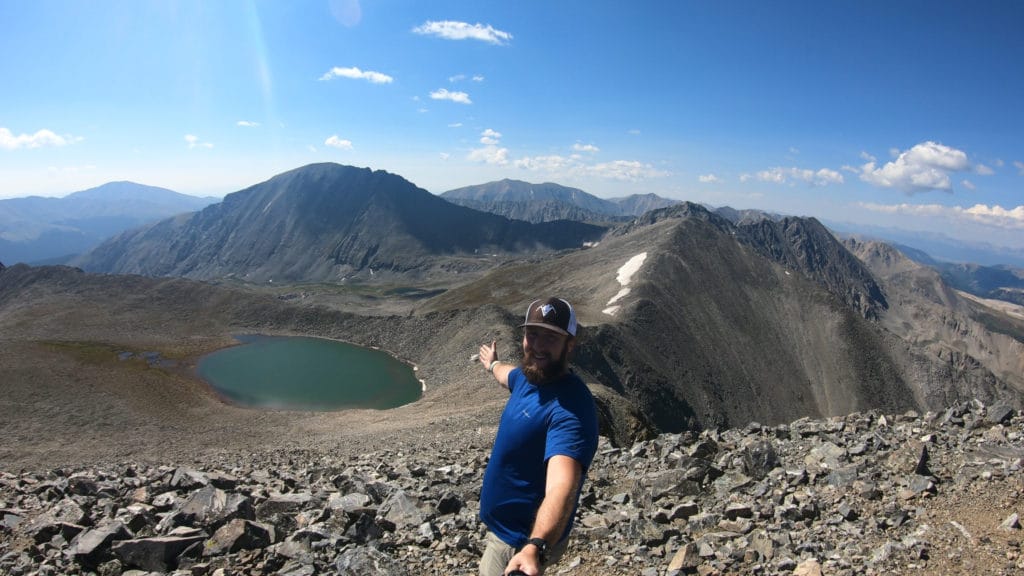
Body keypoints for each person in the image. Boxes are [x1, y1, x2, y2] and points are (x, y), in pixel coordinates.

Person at [476, 297, 599, 576]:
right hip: (508, 530)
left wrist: (534, 546)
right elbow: (508, 375)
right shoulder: (529, 378)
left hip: (518, 540)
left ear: (570, 345)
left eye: (551, 338)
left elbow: (562, 486)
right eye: (532, 334)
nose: (538, 345)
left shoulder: (570, 409)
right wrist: (493, 364)